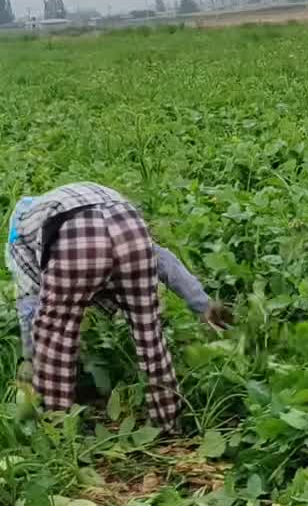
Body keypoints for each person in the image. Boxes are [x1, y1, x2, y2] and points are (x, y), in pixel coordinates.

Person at [6, 182, 224, 431]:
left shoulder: (20, 237)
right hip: (128, 223)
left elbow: (31, 306)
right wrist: (203, 305)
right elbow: (165, 261)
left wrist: (30, 358)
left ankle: (58, 429)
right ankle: (169, 421)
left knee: (54, 335)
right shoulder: (68, 198)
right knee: (148, 331)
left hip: (77, 237)